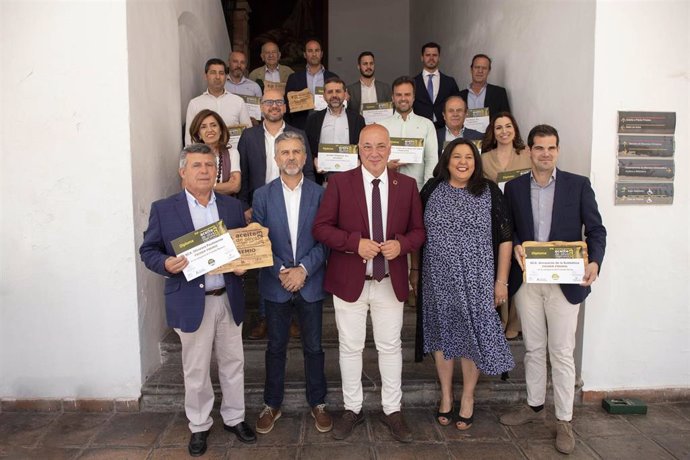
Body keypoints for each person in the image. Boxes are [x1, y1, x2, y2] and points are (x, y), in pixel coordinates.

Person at [139, 144, 256, 456]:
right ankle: (200, 425)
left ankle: (234, 418)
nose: (204, 170)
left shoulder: (232, 207)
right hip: (191, 301)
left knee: (233, 363)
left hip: (227, 297)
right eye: (197, 165)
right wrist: (165, 263)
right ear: (183, 172)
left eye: (209, 165)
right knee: (196, 370)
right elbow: (148, 250)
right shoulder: (164, 209)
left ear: (217, 171)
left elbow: (242, 249)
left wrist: (244, 264)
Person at [312, 124, 426, 443]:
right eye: (367, 147)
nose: (374, 153)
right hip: (351, 279)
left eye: (380, 146)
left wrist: (401, 245)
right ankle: (353, 408)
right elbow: (321, 228)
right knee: (350, 347)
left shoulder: (406, 185)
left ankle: (392, 410)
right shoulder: (338, 184)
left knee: (390, 346)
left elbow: (419, 231)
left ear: (390, 149)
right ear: (357, 150)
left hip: (390, 280)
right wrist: (353, 242)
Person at [500, 124, 606, 455]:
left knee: (560, 351)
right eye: (539, 148)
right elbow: (509, 229)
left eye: (551, 148)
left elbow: (597, 230)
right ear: (529, 150)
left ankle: (564, 419)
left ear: (557, 150)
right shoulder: (514, 188)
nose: (545, 153)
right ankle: (534, 407)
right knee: (533, 348)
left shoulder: (578, 185)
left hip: (565, 281)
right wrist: (517, 245)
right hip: (528, 281)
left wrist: (595, 263)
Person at [412, 138, 514, 430]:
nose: (462, 162)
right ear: (446, 161)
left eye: (468, 157)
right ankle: (446, 396)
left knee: (472, 338)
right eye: (456, 156)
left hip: (479, 281)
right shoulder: (431, 190)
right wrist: (415, 270)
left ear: (476, 161)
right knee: (442, 336)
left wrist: (501, 282)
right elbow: (417, 233)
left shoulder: (490, 191)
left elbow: (506, 239)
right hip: (437, 280)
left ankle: (467, 397)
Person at [251, 131, 331, 435]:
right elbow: (258, 242)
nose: (291, 157)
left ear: (306, 157)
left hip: (310, 282)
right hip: (276, 283)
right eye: (284, 152)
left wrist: (304, 271)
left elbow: (326, 240)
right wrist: (283, 270)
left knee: (314, 347)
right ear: (275, 158)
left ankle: (318, 403)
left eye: (297, 151)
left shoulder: (320, 194)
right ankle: (272, 404)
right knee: (275, 347)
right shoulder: (261, 195)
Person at [237, 88, 315, 340]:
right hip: (262, 204)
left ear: (285, 106)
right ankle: (264, 317)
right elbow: (245, 172)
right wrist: (245, 205)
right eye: (268, 102)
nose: (273, 106)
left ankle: (291, 318)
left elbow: (310, 174)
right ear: (260, 107)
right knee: (265, 259)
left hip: (295, 198)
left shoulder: (298, 134)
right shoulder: (248, 136)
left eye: (278, 102)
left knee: (293, 255)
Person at [480, 112, 531, 340]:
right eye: (499, 127)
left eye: (508, 126)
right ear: (493, 131)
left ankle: (514, 321)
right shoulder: (484, 158)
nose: (504, 131)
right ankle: (498, 317)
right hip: (494, 218)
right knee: (499, 268)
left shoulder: (527, 155)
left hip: (521, 216)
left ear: (515, 129)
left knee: (519, 267)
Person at [378, 76, 438, 191]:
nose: (403, 98)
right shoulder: (381, 126)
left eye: (407, 94)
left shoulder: (427, 125)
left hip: (418, 189)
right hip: (387, 190)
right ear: (393, 97)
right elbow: (374, 159)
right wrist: (386, 167)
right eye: (399, 95)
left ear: (414, 97)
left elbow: (431, 160)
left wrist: (427, 190)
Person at [305, 77, 366, 183]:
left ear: (345, 94)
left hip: (351, 180)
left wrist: (359, 161)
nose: (334, 95)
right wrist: (314, 160)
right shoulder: (313, 120)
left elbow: (364, 146)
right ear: (324, 95)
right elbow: (307, 148)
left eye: (338, 91)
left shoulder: (357, 119)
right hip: (323, 181)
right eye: (330, 92)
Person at [185, 58, 252, 145]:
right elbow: (190, 138)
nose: (217, 77)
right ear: (206, 76)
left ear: (225, 76)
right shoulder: (195, 104)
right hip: (205, 155)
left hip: (233, 154)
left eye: (221, 73)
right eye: (213, 73)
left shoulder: (238, 101)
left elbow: (248, 132)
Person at [284, 39, 338, 130]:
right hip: (300, 126)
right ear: (305, 55)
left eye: (317, 51)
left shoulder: (333, 77)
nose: (314, 54)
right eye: (310, 51)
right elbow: (287, 106)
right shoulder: (294, 78)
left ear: (321, 54)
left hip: (327, 124)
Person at [188, 109, 241, 195]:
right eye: (203, 127)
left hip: (225, 206)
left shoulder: (232, 153)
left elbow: (235, 186)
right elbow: (187, 187)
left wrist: (202, 186)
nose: (210, 130)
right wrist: (224, 186)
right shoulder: (190, 156)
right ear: (199, 134)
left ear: (220, 130)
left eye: (213, 125)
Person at [413, 42, 460, 129]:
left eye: (434, 55)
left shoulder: (449, 82)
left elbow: (457, 104)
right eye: (428, 55)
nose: (431, 58)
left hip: (444, 128)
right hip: (419, 127)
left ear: (439, 58)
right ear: (422, 58)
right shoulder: (413, 82)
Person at [459, 54, 511, 119]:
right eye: (477, 67)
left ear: (489, 71)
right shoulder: (459, 96)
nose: (480, 71)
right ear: (471, 69)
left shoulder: (499, 93)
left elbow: (506, 119)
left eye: (484, 68)